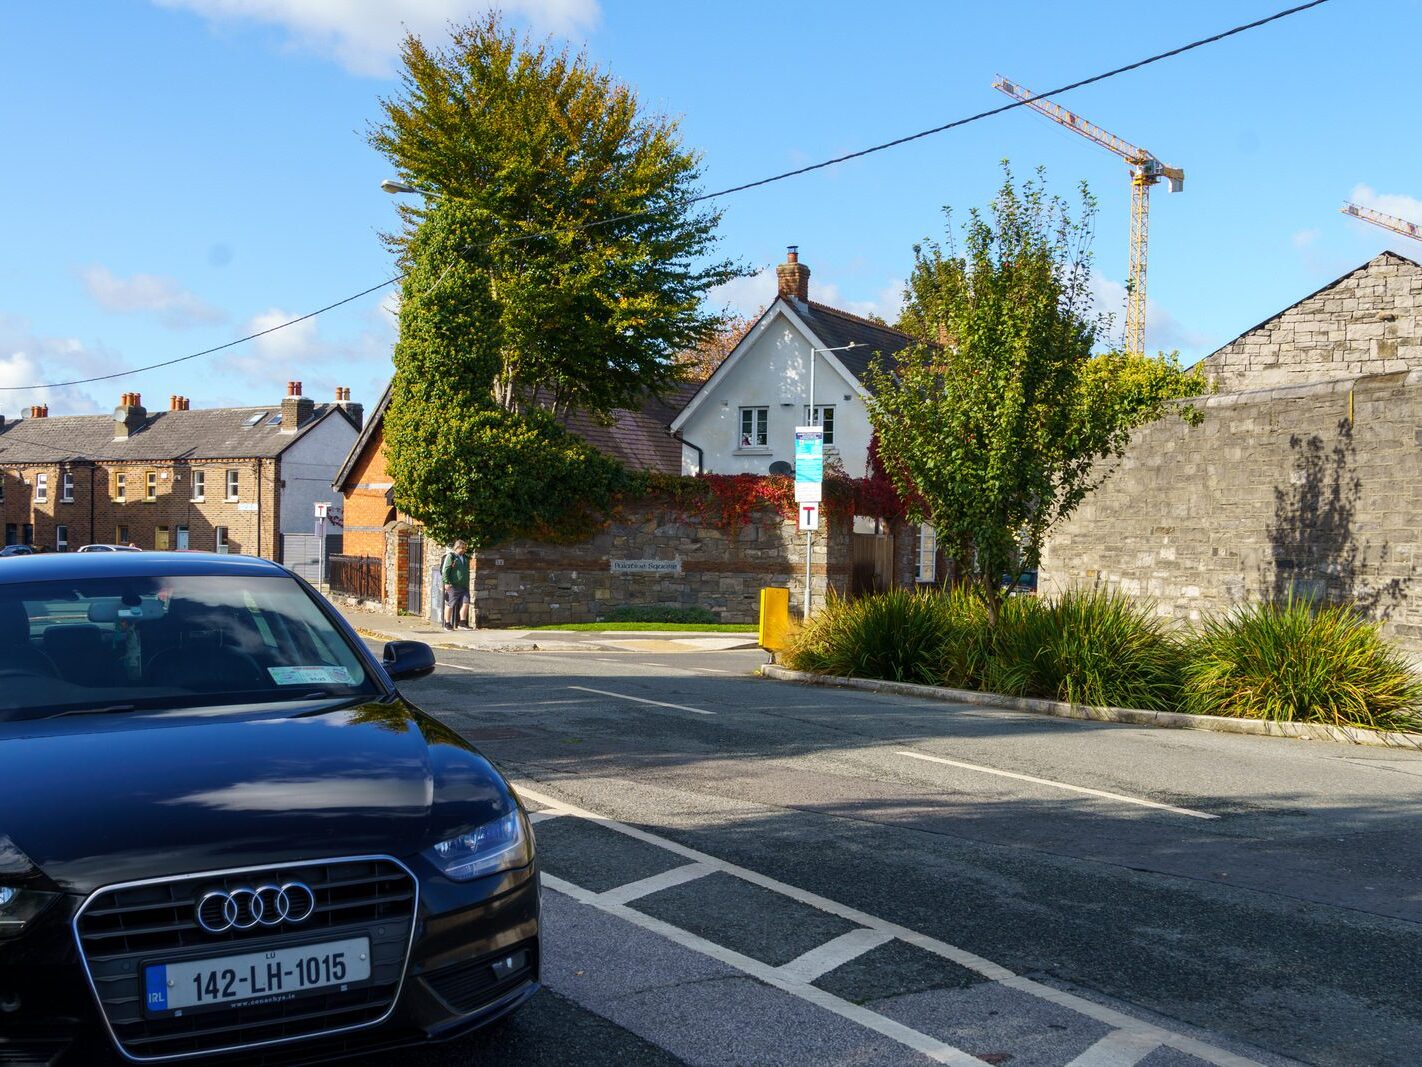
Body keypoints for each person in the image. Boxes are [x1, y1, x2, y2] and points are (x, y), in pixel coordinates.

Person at [441, 540, 470, 631]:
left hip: (464, 585)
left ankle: (462, 623)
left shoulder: (465, 557)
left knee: (466, 603)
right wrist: (446, 582)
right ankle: (447, 624)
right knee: (450, 604)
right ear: (457, 547)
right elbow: (445, 570)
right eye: (462, 548)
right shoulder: (451, 556)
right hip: (453, 585)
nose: (464, 550)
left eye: (465, 548)